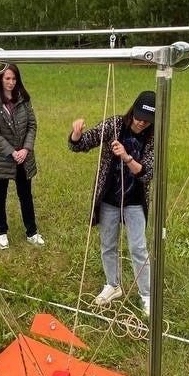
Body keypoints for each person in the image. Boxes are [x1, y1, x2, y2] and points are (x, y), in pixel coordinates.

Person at [69, 90, 155, 315]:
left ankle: (146, 294)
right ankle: (112, 285)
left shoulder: (154, 137)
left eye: (146, 121)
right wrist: (77, 134)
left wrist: (127, 157)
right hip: (108, 199)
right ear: (133, 111)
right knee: (108, 245)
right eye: (138, 117)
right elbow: (82, 144)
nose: (140, 123)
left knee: (138, 248)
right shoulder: (115, 124)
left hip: (135, 201)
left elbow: (146, 173)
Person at [0, 63, 45, 249]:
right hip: (2, 158)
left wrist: (26, 149)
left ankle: (32, 232)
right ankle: (2, 232)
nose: (11, 82)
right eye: (7, 78)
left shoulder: (24, 99)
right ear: (0, 79)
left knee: (25, 195)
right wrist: (12, 151)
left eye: (14, 78)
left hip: (23, 158)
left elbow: (32, 126)